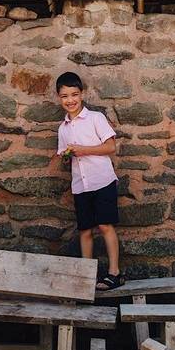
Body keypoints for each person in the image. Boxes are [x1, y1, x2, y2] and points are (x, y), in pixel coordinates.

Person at [54, 71, 124, 291]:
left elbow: (110, 147)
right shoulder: (62, 128)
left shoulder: (96, 118)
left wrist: (83, 150)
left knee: (104, 225)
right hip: (80, 184)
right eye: (65, 96)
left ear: (81, 94)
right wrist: (66, 155)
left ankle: (114, 274)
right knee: (85, 230)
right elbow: (64, 155)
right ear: (59, 98)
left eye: (74, 94)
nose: (70, 100)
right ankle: (86, 278)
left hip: (101, 180)